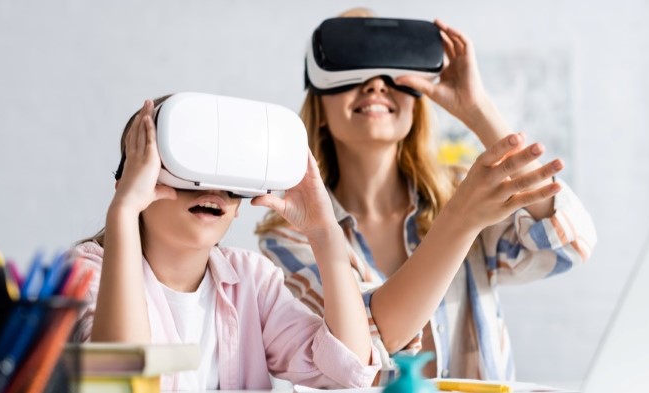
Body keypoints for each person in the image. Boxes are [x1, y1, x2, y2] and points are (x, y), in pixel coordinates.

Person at [255, 8, 597, 383]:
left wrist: (477, 108)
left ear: (415, 105)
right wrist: (460, 221)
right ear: (318, 108)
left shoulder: (462, 192)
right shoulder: (294, 231)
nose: (375, 84)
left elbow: (569, 244)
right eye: (354, 67)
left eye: (391, 70)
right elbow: (361, 349)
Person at [71, 96, 381, 390]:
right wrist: (124, 213)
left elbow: (348, 373)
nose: (214, 189)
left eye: (230, 180)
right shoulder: (85, 272)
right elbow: (120, 383)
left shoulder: (252, 280)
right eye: (192, 167)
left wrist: (324, 232)